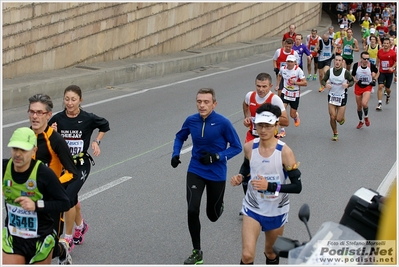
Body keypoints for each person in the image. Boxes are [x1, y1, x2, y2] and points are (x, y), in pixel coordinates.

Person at [171, 88, 242, 265]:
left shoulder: (223, 123)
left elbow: (237, 146)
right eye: (199, 101)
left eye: (206, 102)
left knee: (213, 215)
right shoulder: (191, 120)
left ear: (214, 104)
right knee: (192, 209)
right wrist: (175, 154)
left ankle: (219, 205)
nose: (202, 105)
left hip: (217, 173)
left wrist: (218, 156)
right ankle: (197, 251)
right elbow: (180, 137)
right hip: (195, 169)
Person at [230, 103, 302, 265]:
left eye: (267, 126)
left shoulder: (285, 152)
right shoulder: (249, 147)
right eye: (260, 125)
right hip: (253, 206)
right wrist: (241, 176)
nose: (263, 130)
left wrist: (270, 187)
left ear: (276, 126)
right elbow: (247, 167)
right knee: (247, 255)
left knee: (270, 253)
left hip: (276, 210)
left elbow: (297, 186)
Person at [49, 85, 110, 251]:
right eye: (67, 99)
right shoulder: (58, 119)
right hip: (64, 165)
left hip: (81, 165)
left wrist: (96, 141)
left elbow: (105, 125)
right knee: (71, 197)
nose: (69, 103)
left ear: (80, 100)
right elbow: (46, 139)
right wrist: (52, 133)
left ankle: (67, 239)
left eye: (73, 99)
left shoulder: (88, 118)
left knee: (67, 199)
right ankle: (80, 226)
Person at [2, 127, 71, 264]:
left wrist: (36, 205)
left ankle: (61, 249)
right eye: (15, 148)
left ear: (34, 150)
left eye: (23, 150)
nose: (18, 154)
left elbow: (65, 203)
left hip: (41, 238)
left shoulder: (44, 174)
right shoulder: (4, 167)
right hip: (13, 237)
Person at [27, 93, 78, 264]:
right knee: (26, 245)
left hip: (51, 203)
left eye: (39, 112)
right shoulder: (24, 136)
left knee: (49, 248)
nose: (35, 116)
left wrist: (51, 187)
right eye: (32, 111)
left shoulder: (56, 141)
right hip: (27, 200)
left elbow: (72, 172)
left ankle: (62, 250)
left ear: (49, 115)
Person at [241, 73, 289, 197]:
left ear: (270, 86)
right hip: (252, 136)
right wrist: (247, 118)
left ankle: (268, 196)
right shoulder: (249, 96)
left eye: (264, 86)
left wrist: (269, 119)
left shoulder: (274, 99)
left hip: (269, 139)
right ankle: (249, 200)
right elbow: (245, 104)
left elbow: (286, 121)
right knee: (248, 170)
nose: (261, 89)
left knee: (265, 171)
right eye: (258, 86)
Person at [320, 54, 355, 141]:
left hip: (342, 96)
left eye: (339, 60)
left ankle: (342, 118)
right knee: (332, 117)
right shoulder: (330, 71)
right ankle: (335, 133)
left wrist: (347, 85)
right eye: (336, 60)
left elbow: (352, 81)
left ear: (342, 62)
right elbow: (323, 80)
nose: (337, 62)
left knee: (339, 119)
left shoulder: (345, 72)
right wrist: (325, 85)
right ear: (334, 61)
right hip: (332, 96)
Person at [275, 55, 307, 130]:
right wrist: (278, 85)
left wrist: (295, 83)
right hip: (285, 92)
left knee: (292, 115)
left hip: (294, 95)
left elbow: (305, 83)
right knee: (281, 111)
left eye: (291, 62)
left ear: (295, 62)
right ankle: (282, 130)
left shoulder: (298, 70)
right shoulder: (283, 69)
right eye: (288, 61)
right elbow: (279, 75)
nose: (289, 63)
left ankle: (296, 116)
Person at [351, 51, 379, 129]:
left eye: (368, 59)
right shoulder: (356, 65)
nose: (366, 60)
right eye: (364, 59)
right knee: (359, 106)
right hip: (358, 86)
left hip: (367, 86)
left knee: (364, 103)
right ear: (361, 58)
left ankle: (366, 117)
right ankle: (361, 121)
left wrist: (374, 80)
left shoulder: (371, 66)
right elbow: (352, 76)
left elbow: (378, 72)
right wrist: (356, 81)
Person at [376, 38, 397, 110]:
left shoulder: (393, 53)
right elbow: (378, 58)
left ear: (389, 44)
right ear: (382, 44)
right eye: (384, 43)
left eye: (387, 43)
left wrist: (393, 67)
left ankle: (388, 95)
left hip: (389, 72)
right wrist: (376, 65)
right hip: (382, 71)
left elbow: (396, 61)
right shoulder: (380, 51)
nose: (385, 45)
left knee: (387, 88)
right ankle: (379, 103)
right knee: (380, 86)